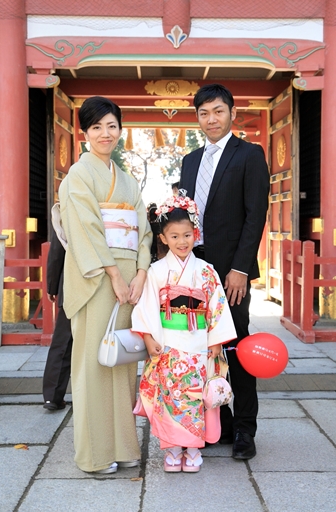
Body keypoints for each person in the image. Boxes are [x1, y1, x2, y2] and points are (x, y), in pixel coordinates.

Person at [58, 96, 152, 474]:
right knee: (94, 362)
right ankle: (95, 454)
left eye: (111, 125)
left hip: (130, 280)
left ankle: (124, 445)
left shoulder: (127, 180)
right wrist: (113, 273)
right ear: (85, 133)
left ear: (120, 130)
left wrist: (141, 273)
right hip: (96, 276)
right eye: (96, 127)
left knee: (123, 362)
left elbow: (143, 231)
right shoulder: (78, 177)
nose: (104, 133)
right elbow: (85, 230)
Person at [179, 83, 270, 460]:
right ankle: (223, 421)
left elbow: (255, 216)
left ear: (232, 112)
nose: (211, 119)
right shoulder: (189, 161)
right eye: (203, 113)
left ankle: (246, 428)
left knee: (235, 346)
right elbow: (184, 217)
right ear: (197, 117)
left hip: (231, 273)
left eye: (218, 111)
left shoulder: (249, 154)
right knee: (199, 349)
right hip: (194, 270)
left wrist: (239, 270)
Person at [131, 195, 236, 473]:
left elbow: (217, 306)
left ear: (195, 234)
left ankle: (192, 450)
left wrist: (215, 341)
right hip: (167, 345)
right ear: (163, 238)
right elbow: (147, 306)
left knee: (194, 397)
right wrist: (149, 338)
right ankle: (173, 450)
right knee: (170, 398)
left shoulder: (206, 271)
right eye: (174, 236)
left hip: (199, 344)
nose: (182, 241)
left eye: (187, 235)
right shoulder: (155, 272)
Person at [43, 227, 72, 411]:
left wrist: (52, 287)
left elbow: (56, 254)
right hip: (102, 287)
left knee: (62, 343)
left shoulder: (66, 212)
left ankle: (52, 396)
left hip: (70, 288)